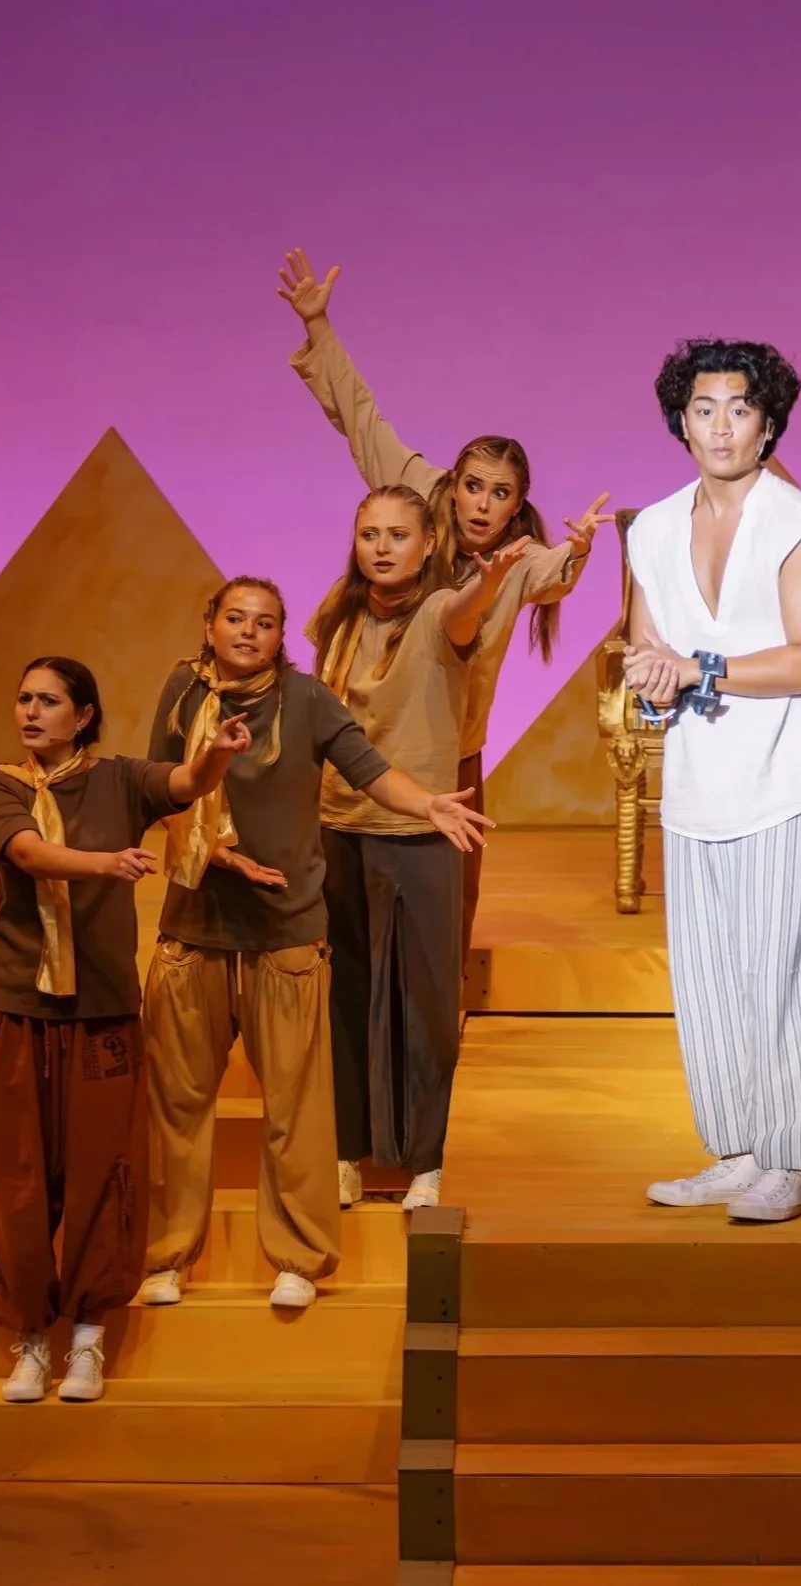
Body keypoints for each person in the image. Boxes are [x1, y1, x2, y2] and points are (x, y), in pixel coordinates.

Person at [137, 577, 488, 1314]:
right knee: (176, 1103)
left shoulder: (307, 701)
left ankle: (297, 1255)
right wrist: (215, 851)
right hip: (195, 926)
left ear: (281, 636)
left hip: (286, 930)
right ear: (209, 624)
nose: (248, 631)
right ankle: (166, 1255)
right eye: (235, 617)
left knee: (296, 1107)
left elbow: (370, 771)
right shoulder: (181, 691)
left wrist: (427, 802)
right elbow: (161, 790)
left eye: (265, 622)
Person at [278, 247, 612, 960]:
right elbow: (361, 420)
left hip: (445, 747)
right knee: (346, 888)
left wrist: (580, 550)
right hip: (368, 732)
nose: (482, 504)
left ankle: (439, 996)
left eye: (500, 494)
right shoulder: (416, 493)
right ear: (453, 484)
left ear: (517, 505)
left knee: (447, 895)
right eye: (473, 486)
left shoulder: (517, 558)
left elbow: (554, 574)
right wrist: (319, 327)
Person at [0, 656, 248, 1403]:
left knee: (100, 1171)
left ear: (82, 715)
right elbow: (27, 852)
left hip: (102, 1010)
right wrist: (105, 862)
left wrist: (216, 752)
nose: (31, 711)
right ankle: (30, 1336)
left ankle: (87, 1336)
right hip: (16, 1006)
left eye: (48, 701)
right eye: (24, 697)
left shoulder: (119, 779)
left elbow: (187, 784)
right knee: (17, 1178)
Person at [624, 337, 801, 1225]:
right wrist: (653, 679)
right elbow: (647, 647)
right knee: (706, 981)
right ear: (680, 422)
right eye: (704, 409)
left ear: (768, 425)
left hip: (785, 777)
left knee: (780, 976)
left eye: (740, 409)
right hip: (695, 782)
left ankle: (789, 1160)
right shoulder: (650, 529)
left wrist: (697, 669)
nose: (721, 426)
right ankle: (737, 1150)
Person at [311, 486, 518, 1213]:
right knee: (344, 995)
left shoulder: (438, 612)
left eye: (398, 535)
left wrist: (489, 583)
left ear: (429, 543)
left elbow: (463, 611)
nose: (382, 547)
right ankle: (347, 1151)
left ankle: (425, 1161)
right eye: (369, 533)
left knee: (427, 1002)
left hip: (422, 830)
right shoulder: (338, 615)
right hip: (339, 822)